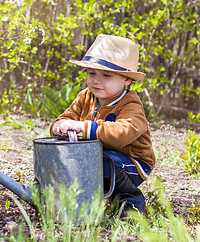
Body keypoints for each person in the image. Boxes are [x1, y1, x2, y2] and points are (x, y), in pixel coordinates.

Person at [50, 34, 155, 218]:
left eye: (106, 75)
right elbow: (68, 116)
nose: (97, 80)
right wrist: (60, 125)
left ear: (127, 80)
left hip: (132, 161)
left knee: (101, 163)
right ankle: (78, 203)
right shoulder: (86, 96)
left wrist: (83, 127)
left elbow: (123, 132)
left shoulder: (130, 104)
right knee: (74, 159)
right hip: (97, 156)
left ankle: (131, 202)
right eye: (92, 73)